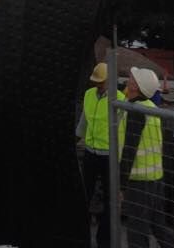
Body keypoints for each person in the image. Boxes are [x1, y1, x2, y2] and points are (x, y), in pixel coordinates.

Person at [119, 67, 174, 248]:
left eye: (131, 78)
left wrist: (121, 184)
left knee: (137, 231)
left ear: (136, 86)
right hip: (155, 179)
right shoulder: (151, 108)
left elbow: (129, 149)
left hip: (139, 182)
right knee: (158, 226)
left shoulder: (136, 111)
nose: (127, 80)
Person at [76, 62, 125, 248]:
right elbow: (83, 122)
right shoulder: (89, 95)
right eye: (96, 81)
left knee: (110, 200)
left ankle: (104, 240)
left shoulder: (119, 100)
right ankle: (81, 236)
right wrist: (75, 139)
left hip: (109, 157)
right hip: (91, 153)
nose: (98, 85)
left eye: (101, 82)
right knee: (84, 195)